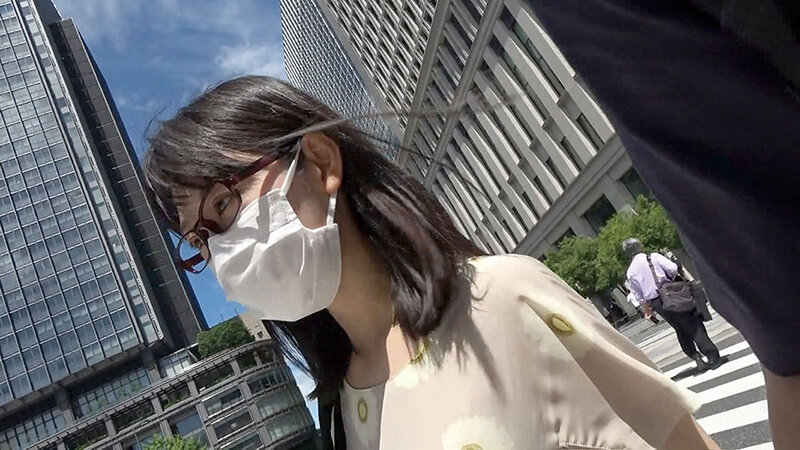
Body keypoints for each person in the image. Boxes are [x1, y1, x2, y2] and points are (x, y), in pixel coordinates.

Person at [143, 76, 719, 449]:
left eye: (225, 205)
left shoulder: (502, 298)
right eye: (199, 241)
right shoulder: (341, 406)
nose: (221, 252)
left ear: (320, 164)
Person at [521, 3, 800, 447]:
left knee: (757, 331)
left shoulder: (636, 267)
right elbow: (677, 269)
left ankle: (702, 356)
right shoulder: (652, 257)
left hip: (681, 300)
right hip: (701, 288)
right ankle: (709, 353)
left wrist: (649, 309)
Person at [623, 239, 726, 372]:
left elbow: (639, 296)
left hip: (656, 302)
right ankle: (712, 357)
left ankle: (695, 356)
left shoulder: (630, 272)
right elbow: (673, 269)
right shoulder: (653, 257)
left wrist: (648, 311)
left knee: (680, 328)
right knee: (693, 324)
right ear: (639, 246)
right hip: (671, 294)